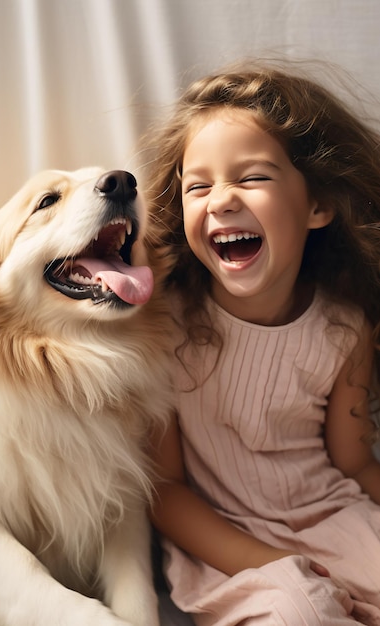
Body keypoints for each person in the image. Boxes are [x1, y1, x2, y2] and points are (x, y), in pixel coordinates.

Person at [144, 59, 380, 626]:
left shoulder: (344, 327)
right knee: (301, 612)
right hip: (228, 546)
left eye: (251, 178)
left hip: (334, 517)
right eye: (198, 186)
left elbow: (351, 459)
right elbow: (166, 490)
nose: (221, 199)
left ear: (318, 206)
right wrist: (273, 561)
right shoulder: (164, 325)